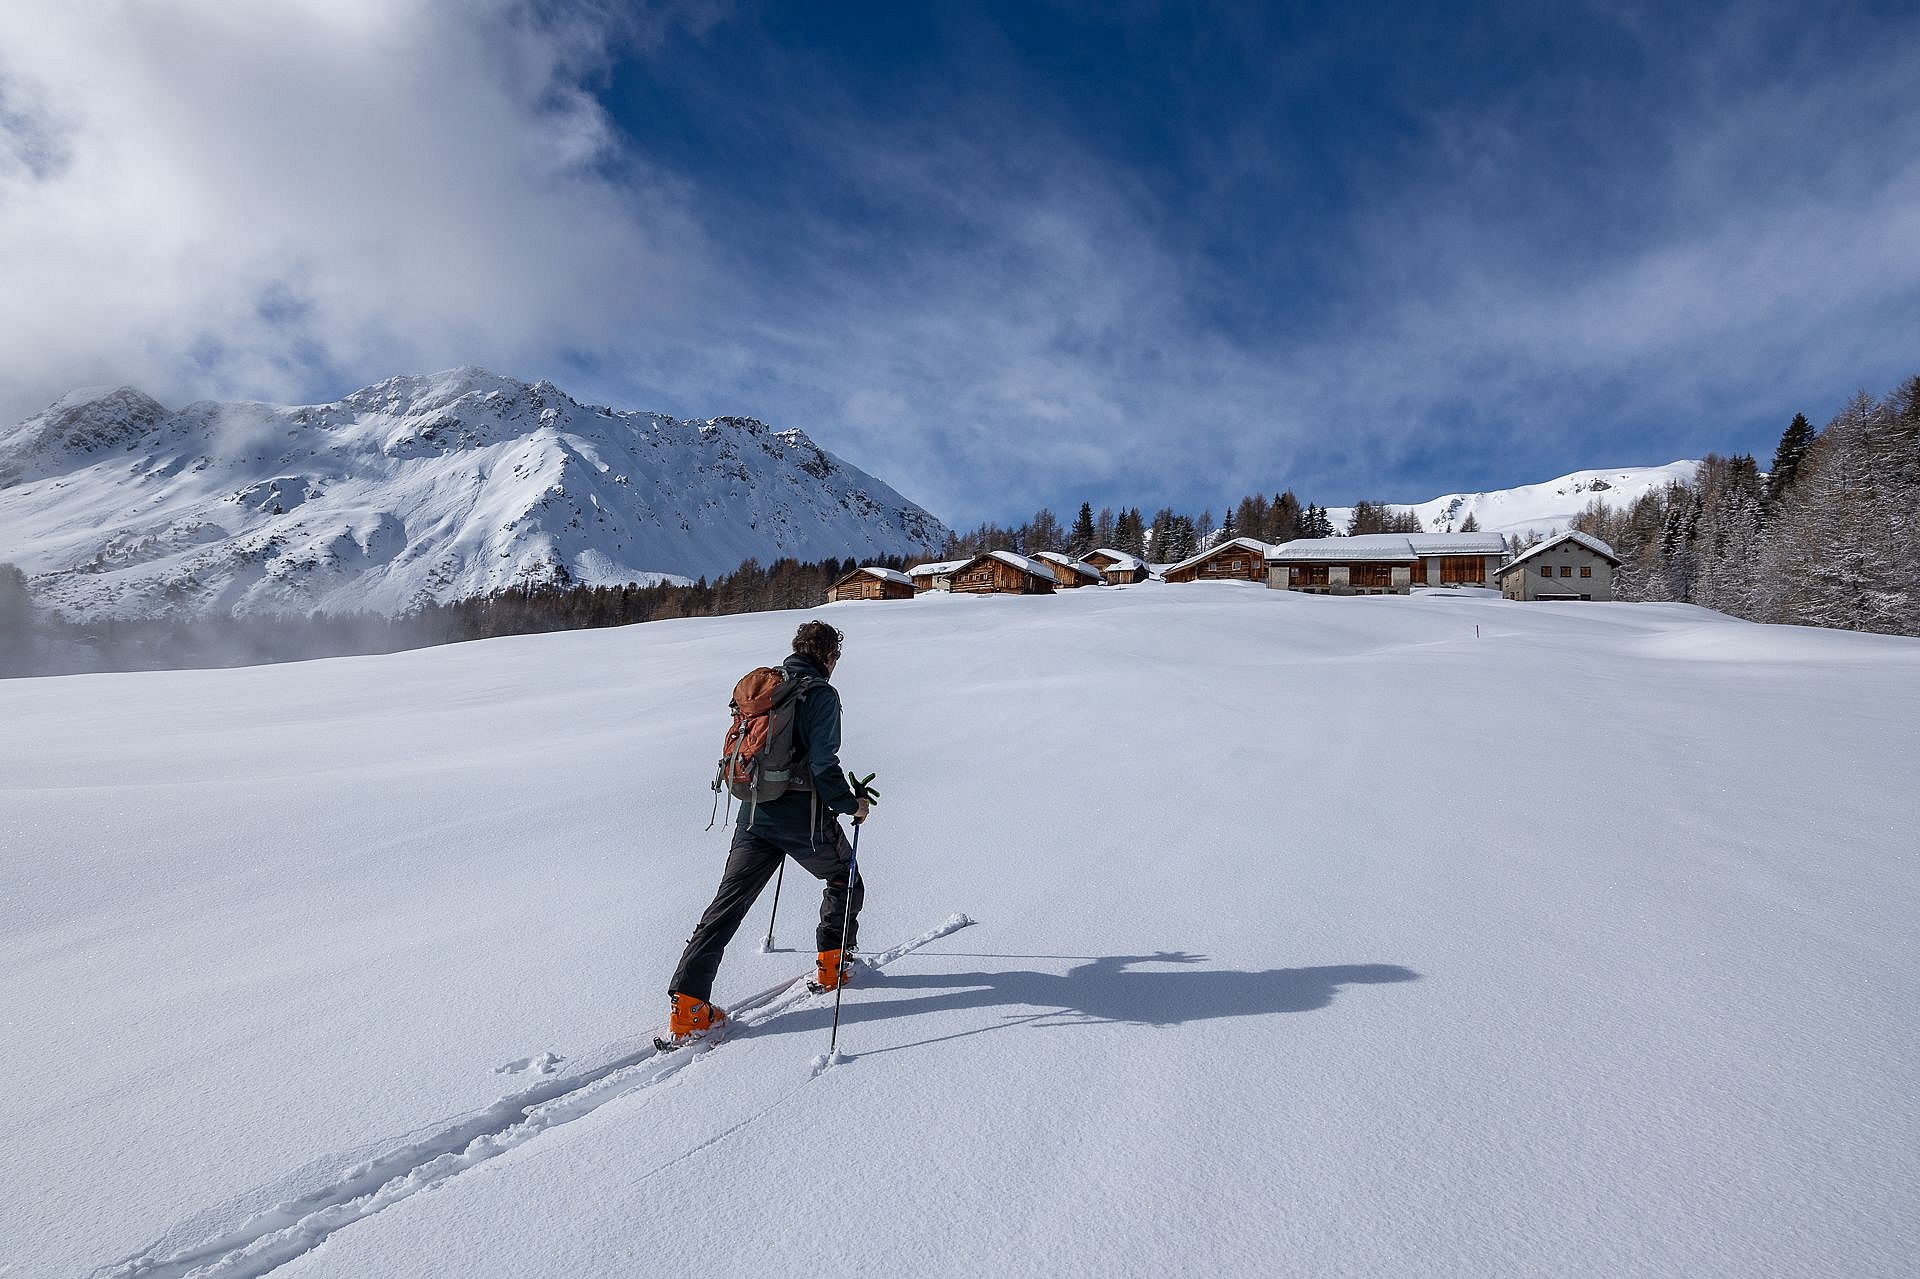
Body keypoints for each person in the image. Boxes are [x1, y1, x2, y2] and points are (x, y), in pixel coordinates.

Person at [664, 619, 869, 1042]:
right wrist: (852, 804)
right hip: (801, 819)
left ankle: (688, 1008)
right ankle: (833, 963)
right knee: (843, 877)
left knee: (726, 906)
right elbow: (822, 765)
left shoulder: (768, 690)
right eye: (835, 657)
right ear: (828, 657)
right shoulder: (820, 695)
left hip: (753, 814)